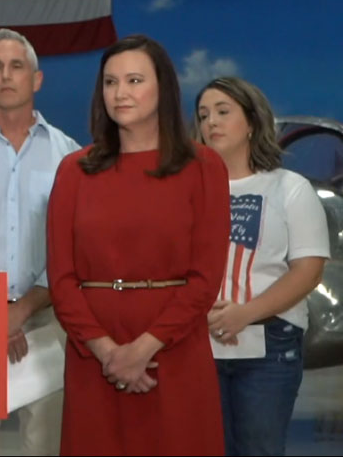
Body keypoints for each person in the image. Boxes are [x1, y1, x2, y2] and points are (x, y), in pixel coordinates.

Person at [47, 35, 230, 455]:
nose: (120, 93)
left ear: (162, 88)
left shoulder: (203, 168)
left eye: (133, 80)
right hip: (93, 357)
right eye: (110, 83)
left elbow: (205, 279)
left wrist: (143, 348)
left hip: (173, 353)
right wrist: (108, 352)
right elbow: (61, 279)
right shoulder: (74, 172)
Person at [0, 29, 78, 456]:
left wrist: (21, 310)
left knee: (46, 446)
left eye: (17, 66)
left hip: (48, 321)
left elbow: (74, 248)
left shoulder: (71, 158)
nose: (6, 76)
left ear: (36, 79)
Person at [195, 76, 329, 456]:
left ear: (252, 122)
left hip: (270, 345)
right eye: (204, 116)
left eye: (223, 112)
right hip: (199, 345)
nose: (211, 123)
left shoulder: (289, 187)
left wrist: (245, 314)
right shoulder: (191, 191)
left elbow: (308, 271)